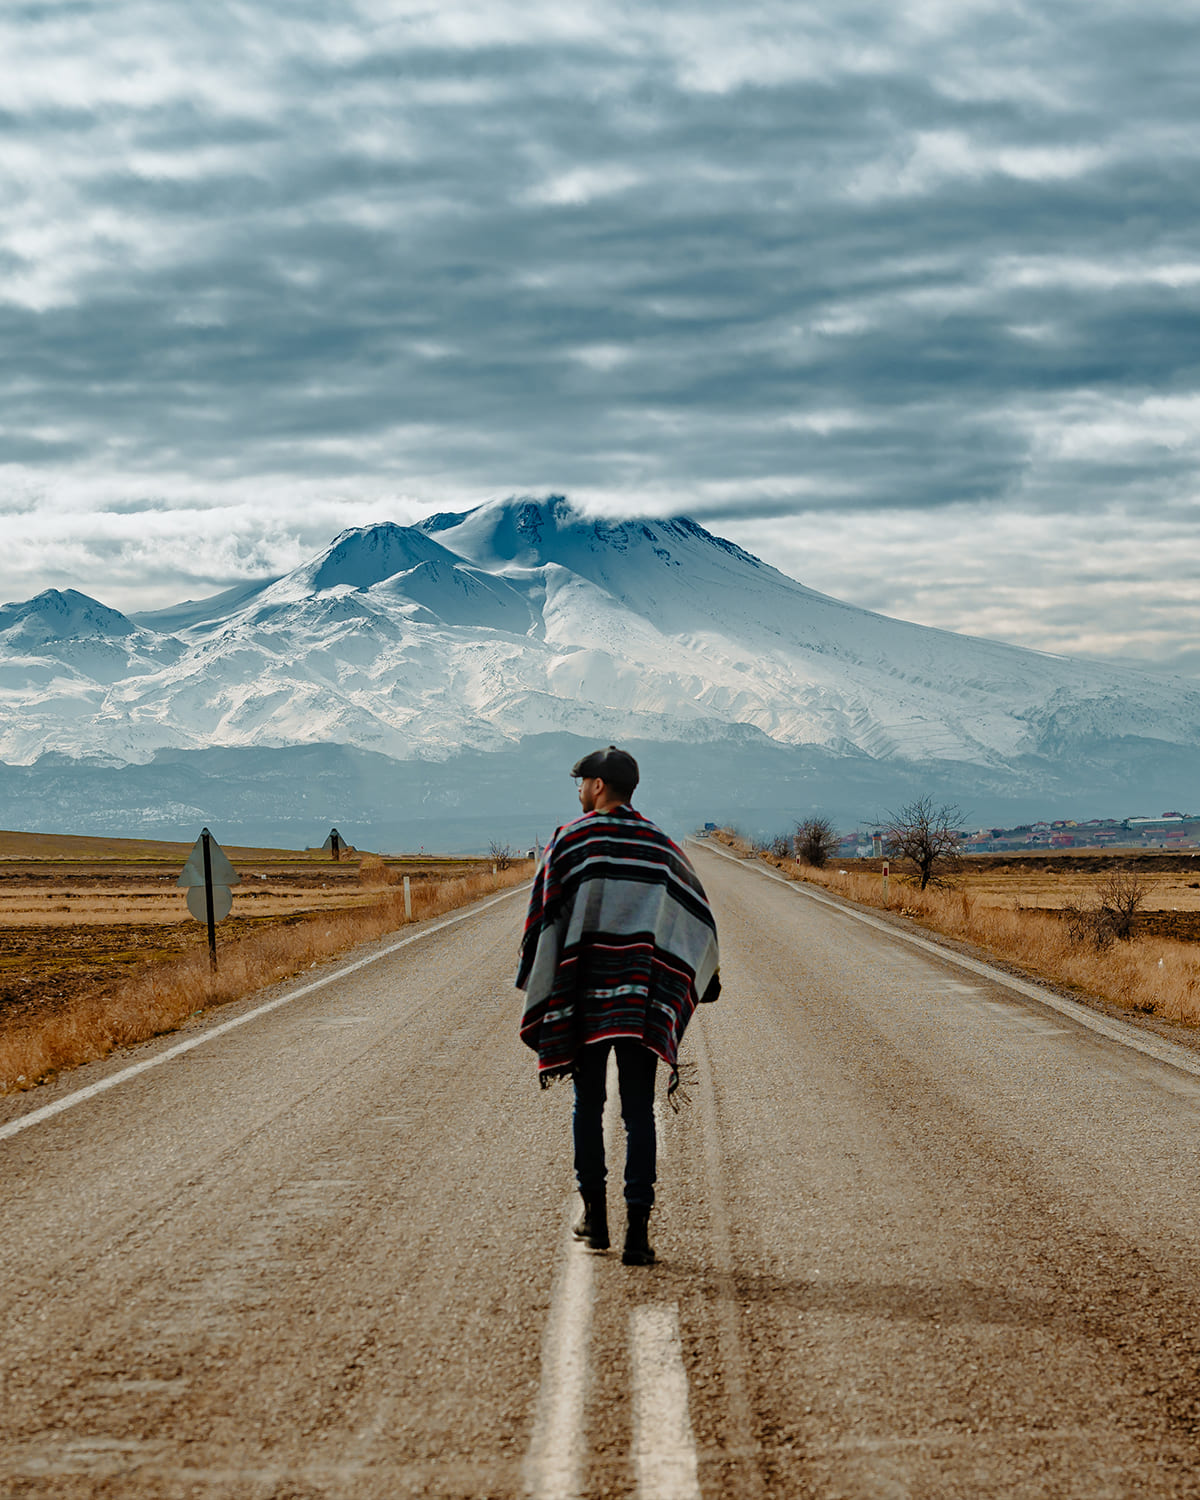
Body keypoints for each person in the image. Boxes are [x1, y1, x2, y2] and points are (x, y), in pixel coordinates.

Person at [516, 745, 720, 1266]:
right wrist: (702, 979)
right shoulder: (660, 846)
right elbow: (696, 916)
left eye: (581, 782)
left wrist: (534, 978)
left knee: (589, 1106)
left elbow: (542, 921)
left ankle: (596, 1219)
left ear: (599, 785)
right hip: (641, 1002)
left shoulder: (569, 840)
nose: (579, 791)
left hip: (583, 1002)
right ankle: (637, 1231)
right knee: (638, 1112)